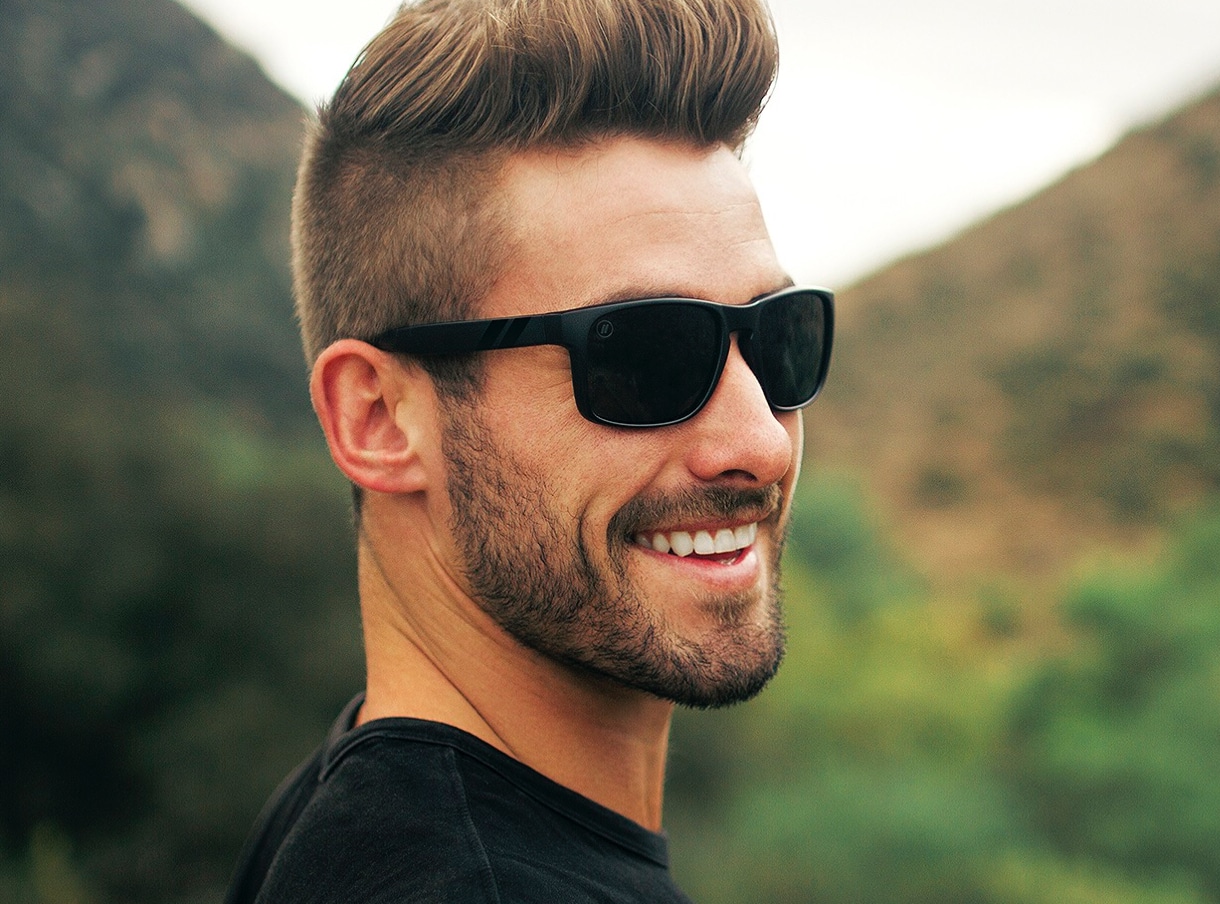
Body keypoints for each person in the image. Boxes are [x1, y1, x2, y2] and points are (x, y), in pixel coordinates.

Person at [223, 0, 832, 900]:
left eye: (779, 337)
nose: (757, 442)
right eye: (648, 356)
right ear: (380, 420)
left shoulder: (348, 816)